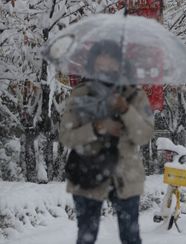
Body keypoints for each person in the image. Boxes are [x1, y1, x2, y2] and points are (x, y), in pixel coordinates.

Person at [59, 40, 154, 244]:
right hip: (87, 173)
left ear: (120, 65)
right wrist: (97, 128)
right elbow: (66, 137)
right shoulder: (81, 93)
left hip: (125, 176)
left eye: (110, 66)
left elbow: (144, 135)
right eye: (100, 67)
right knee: (86, 237)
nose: (105, 71)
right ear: (92, 65)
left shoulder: (134, 95)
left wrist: (126, 110)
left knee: (131, 237)